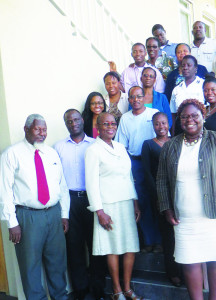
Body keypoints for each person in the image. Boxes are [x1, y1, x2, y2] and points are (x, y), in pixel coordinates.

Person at [156, 99, 216, 300]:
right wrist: (167, 209)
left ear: (203, 117)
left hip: (215, 215)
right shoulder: (170, 146)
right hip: (184, 218)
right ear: (179, 121)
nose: (190, 120)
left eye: (195, 115)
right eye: (184, 117)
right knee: (189, 261)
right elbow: (161, 180)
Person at [0, 114, 70, 300]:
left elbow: (61, 185)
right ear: (26, 129)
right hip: (27, 217)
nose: (42, 133)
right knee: (30, 265)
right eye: (37, 129)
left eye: (44, 129)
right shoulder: (11, 154)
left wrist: (64, 214)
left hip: (54, 214)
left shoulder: (51, 153)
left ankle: (60, 297)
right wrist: (12, 223)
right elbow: (4, 190)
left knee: (57, 262)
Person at [85, 112, 143, 300]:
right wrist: (99, 211)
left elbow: (128, 177)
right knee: (112, 247)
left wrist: (135, 202)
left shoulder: (120, 147)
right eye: (105, 124)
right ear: (98, 127)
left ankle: (127, 288)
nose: (110, 126)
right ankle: (117, 290)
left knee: (130, 246)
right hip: (107, 205)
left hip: (126, 202)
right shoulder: (93, 150)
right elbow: (91, 183)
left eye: (113, 123)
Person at [54, 109, 107, 300]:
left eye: (76, 119)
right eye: (69, 120)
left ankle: (98, 288)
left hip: (92, 199)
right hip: (70, 200)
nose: (73, 123)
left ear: (82, 121)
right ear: (65, 123)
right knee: (74, 246)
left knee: (96, 245)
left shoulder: (95, 145)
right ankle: (81, 290)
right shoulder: (58, 147)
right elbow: (56, 179)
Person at [115, 86, 161, 253]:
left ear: (144, 98)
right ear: (129, 100)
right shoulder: (125, 119)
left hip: (155, 161)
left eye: (139, 96)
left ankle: (160, 241)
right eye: (132, 97)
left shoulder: (153, 113)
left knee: (158, 200)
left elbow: (164, 135)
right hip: (136, 162)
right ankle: (148, 240)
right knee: (142, 202)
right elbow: (121, 146)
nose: (136, 100)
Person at [141, 112, 182, 286]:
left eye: (164, 123)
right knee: (168, 236)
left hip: (180, 195)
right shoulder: (148, 145)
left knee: (183, 235)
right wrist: (159, 197)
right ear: (153, 126)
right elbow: (147, 173)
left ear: (169, 123)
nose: (161, 127)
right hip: (160, 197)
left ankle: (187, 271)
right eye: (157, 124)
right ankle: (173, 272)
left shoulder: (178, 141)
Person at [170, 55, 205, 135]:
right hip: (181, 129)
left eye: (189, 65)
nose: (185, 68)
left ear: (196, 68)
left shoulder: (203, 85)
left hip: (200, 128)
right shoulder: (177, 89)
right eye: (183, 65)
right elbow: (173, 114)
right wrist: (173, 133)